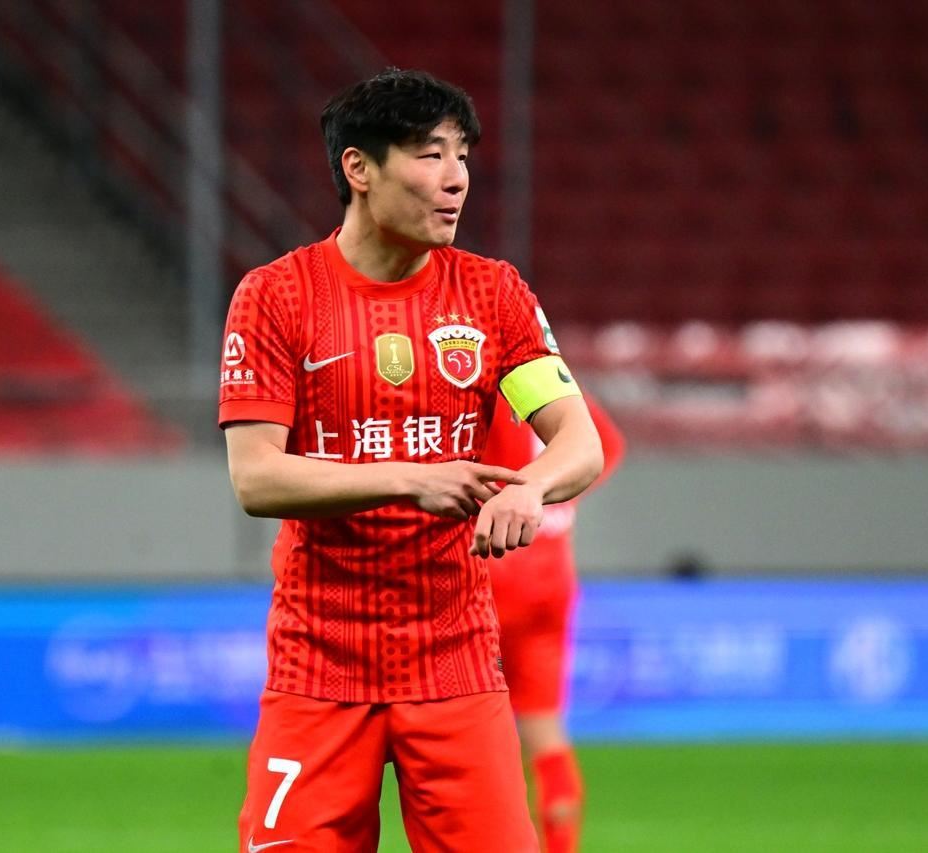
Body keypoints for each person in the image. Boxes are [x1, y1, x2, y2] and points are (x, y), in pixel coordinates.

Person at [219, 68, 604, 852]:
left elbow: (579, 440)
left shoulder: (494, 295)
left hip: (454, 662)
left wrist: (530, 488)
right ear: (359, 168)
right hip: (319, 663)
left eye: (462, 155)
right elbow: (257, 477)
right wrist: (411, 479)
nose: (456, 178)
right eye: (430, 155)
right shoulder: (276, 297)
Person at [480, 395, 625, 852]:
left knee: (469, 733)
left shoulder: (483, 380)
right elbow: (605, 447)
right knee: (545, 731)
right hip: (551, 577)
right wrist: (558, 497)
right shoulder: (556, 386)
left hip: (491, 566)